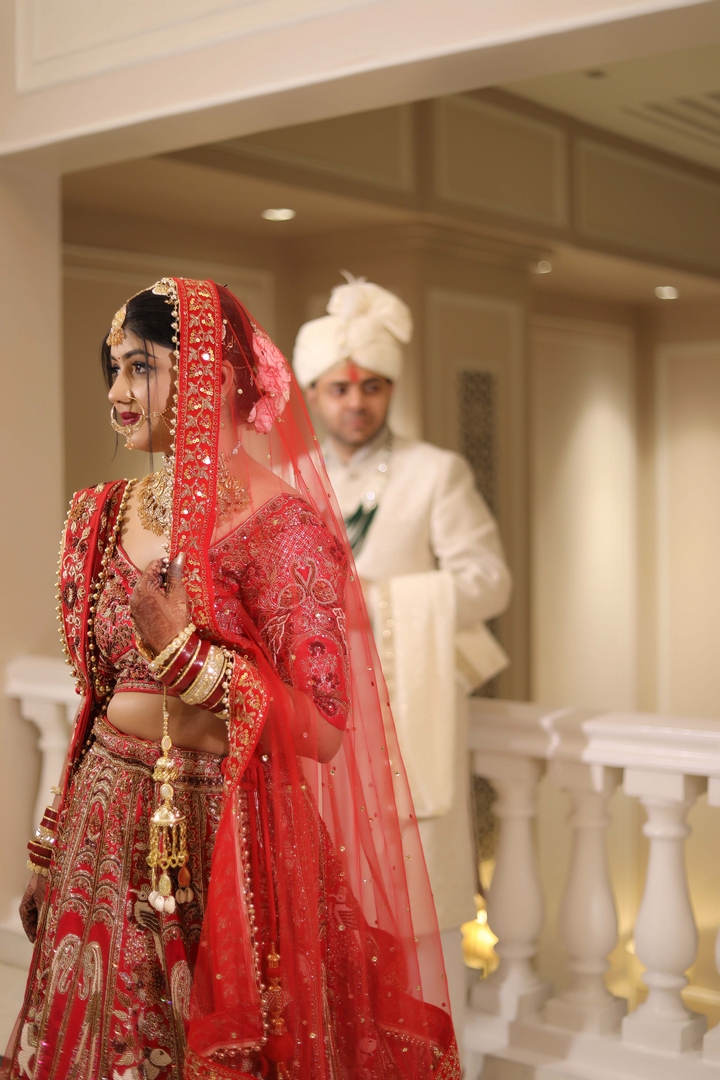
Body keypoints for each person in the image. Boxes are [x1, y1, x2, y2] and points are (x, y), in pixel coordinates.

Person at [4, 278, 460, 1080]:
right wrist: (51, 847)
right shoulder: (102, 513)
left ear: (210, 376)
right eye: (113, 369)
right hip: (101, 832)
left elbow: (323, 730)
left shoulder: (280, 524)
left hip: (229, 841)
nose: (116, 393)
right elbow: (96, 703)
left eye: (140, 367)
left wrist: (188, 659)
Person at [294, 276, 512, 1045]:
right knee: (329, 917)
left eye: (373, 386)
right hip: (321, 723)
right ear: (314, 393)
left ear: (391, 389)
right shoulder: (295, 478)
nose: (357, 402)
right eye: (340, 388)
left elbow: (489, 581)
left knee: (424, 918)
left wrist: (380, 604)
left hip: (410, 720)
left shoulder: (434, 471)